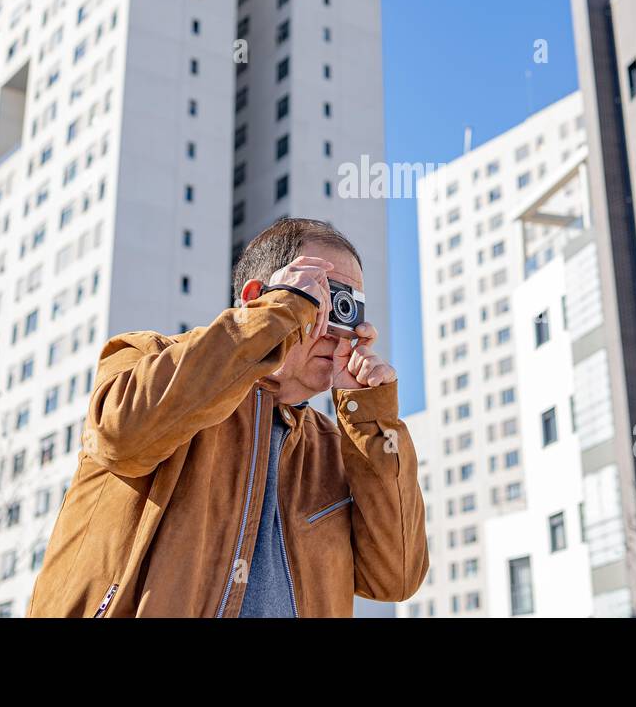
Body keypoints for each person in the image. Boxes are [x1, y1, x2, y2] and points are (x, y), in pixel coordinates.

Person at [27, 217, 428, 617]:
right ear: (257, 298)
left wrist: (371, 415)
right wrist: (276, 318)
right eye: (321, 297)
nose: (339, 329)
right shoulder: (149, 358)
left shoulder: (337, 446)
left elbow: (396, 577)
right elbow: (120, 438)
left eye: (348, 307)